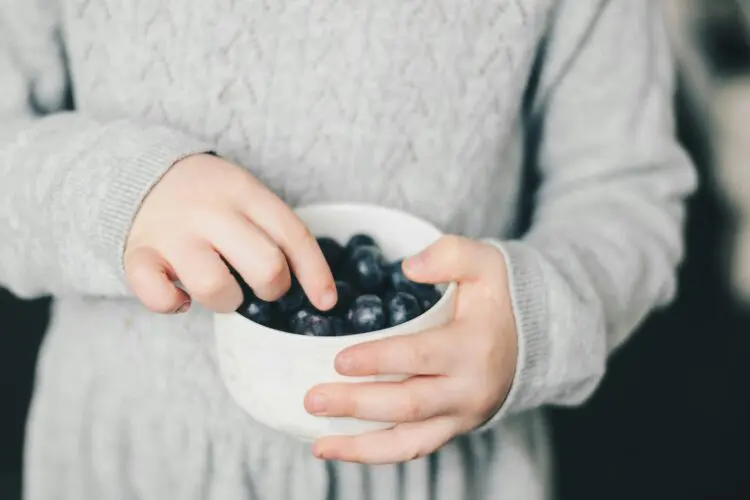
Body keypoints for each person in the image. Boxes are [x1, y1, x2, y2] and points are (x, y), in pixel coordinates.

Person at [0, 0, 696, 499]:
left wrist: (536, 322)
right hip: (125, 464)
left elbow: (626, 187)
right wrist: (114, 193)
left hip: (445, 473)